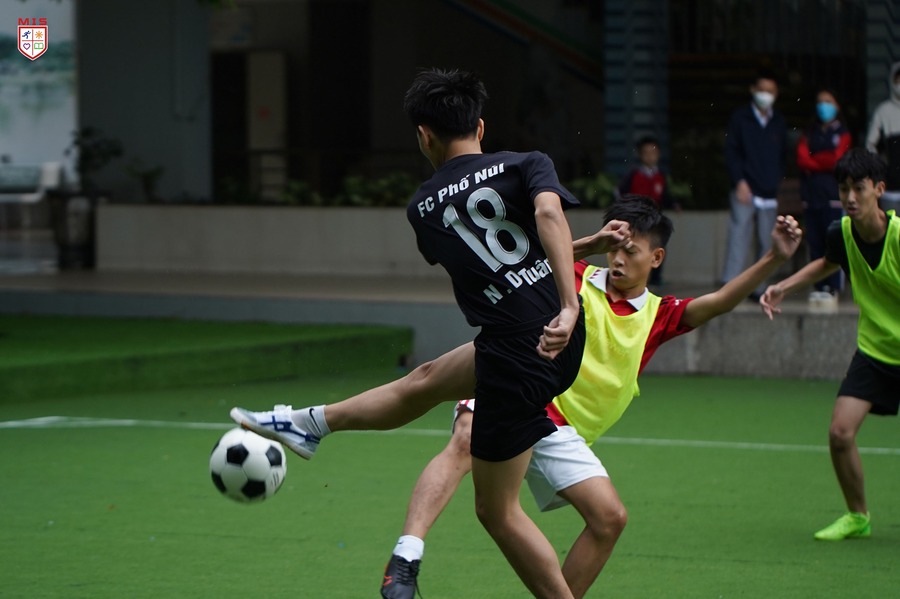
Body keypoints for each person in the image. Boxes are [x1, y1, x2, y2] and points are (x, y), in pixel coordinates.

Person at [234, 67, 589, 599]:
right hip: (559, 336)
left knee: (497, 511)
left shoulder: (423, 209)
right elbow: (544, 218)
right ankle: (310, 423)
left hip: (518, 353)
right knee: (424, 380)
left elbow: (492, 255)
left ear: (424, 135)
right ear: (481, 126)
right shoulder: (527, 162)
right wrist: (569, 304)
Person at [381, 195, 802, 599]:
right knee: (464, 440)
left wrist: (774, 258)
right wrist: (584, 245)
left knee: (609, 519)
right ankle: (407, 555)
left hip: (562, 430)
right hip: (516, 386)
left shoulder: (660, 314)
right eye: (614, 248)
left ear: (656, 258)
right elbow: (523, 264)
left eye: (631, 252)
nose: (618, 259)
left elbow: (720, 301)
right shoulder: (575, 275)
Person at [760, 148, 900, 541]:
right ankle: (858, 517)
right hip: (875, 350)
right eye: (844, 189)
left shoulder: (898, 237)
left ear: (879, 189)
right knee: (840, 433)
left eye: (859, 188)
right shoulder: (842, 232)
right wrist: (783, 287)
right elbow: (827, 262)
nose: (850, 197)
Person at [722, 70, 789, 298]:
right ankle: (729, 287)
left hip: (768, 190)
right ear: (752, 90)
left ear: (776, 93)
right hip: (745, 188)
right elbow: (732, 151)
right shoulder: (740, 118)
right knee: (738, 237)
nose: (765, 95)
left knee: (766, 242)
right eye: (762, 90)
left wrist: (775, 182)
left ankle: (759, 288)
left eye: (770, 91)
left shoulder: (779, 121)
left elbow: (783, 156)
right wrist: (739, 181)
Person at [796, 88, 851, 301]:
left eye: (828, 101)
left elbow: (837, 160)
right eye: (820, 102)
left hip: (833, 197)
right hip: (812, 197)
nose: (823, 106)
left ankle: (833, 287)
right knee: (815, 242)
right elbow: (802, 159)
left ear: (837, 106)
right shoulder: (809, 133)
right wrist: (823, 161)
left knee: (833, 242)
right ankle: (819, 286)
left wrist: (816, 160)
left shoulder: (843, 133)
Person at [617, 135, 678, 286]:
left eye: (653, 152)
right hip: (636, 220)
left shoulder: (660, 176)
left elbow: (664, 195)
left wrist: (674, 204)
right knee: (635, 247)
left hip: (655, 219)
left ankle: (656, 278)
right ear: (640, 155)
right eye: (646, 153)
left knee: (657, 246)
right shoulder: (634, 175)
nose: (650, 156)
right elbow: (621, 192)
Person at [865, 61, 900, 214]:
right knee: (891, 224)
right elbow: (870, 144)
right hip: (891, 187)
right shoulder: (883, 111)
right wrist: (881, 169)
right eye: (898, 80)